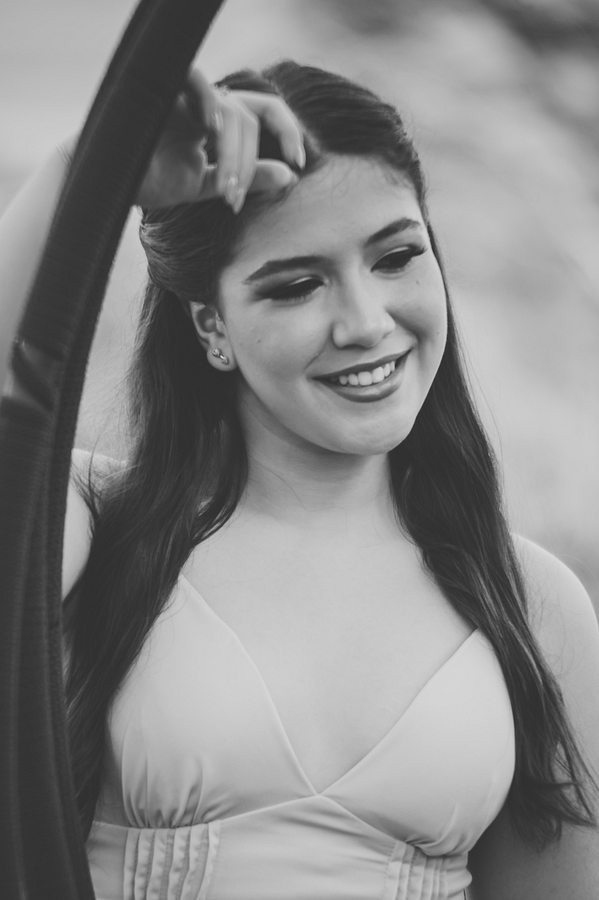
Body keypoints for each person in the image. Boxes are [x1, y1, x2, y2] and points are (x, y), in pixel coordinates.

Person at [2, 60, 599, 900]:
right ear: (211, 326)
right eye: (296, 285)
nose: (364, 323)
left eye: (396, 256)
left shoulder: (532, 603)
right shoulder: (91, 526)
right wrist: (88, 168)